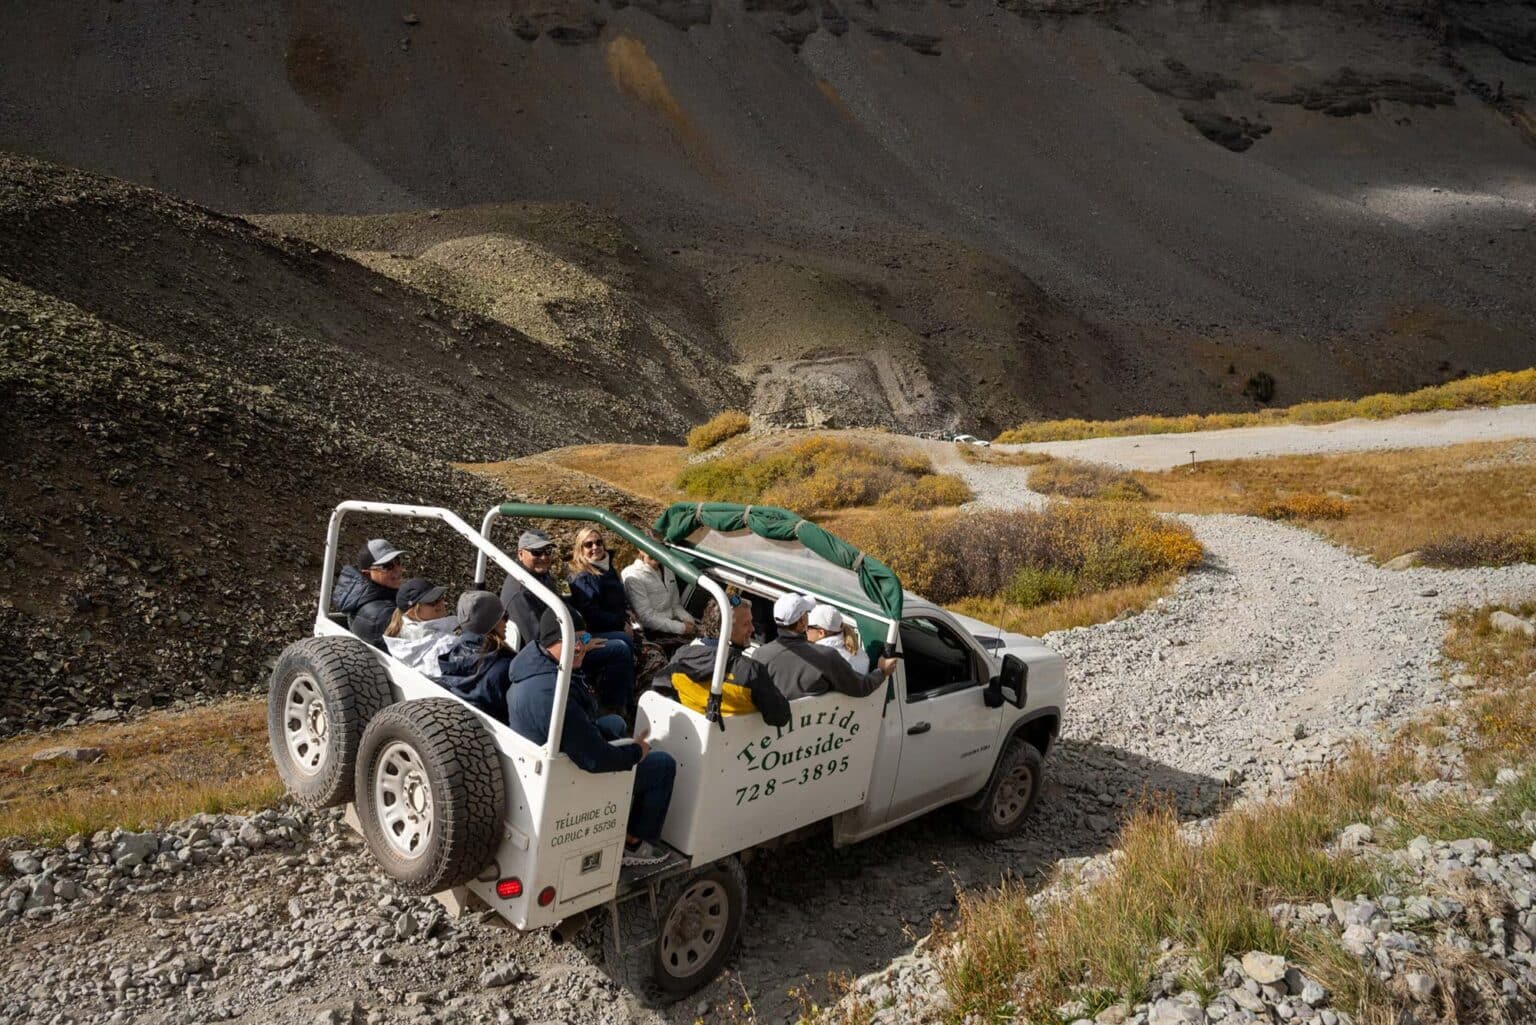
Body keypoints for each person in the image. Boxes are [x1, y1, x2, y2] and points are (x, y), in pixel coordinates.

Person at [509, 608, 676, 867]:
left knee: (615, 723)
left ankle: (624, 810)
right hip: (568, 778)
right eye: (572, 640)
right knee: (662, 764)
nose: (580, 648)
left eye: (585, 640)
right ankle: (635, 844)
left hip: (554, 752)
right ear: (551, 640)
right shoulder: (553, 693)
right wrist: (636, 752)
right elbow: (594, 759)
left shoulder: (531, 667)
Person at [501, 528, 635, 712]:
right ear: (520, 553)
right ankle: (610, 709)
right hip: (553, 656)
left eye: (547, 551)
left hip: (569, 638)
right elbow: (538, 642)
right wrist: (582, 644)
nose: (544, 557)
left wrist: (582, 635)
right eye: (537, 552)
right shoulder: (520, 593)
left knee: (625, 640)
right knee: (619, 649)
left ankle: (625, 698)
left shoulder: (540, 576)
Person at [651, 599, 789, 726]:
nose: (752, 629)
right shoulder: (751, 672)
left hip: (690, 739)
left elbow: (659, 691)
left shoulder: (680, 658)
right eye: (746, 624)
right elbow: (780, 717)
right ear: (725, 630)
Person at [753, 594, 897, 701]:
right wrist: (882, 671)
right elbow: (861, 687)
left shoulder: (759, 655)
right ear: (803, 622)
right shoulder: (827, 657)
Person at [565, 526, 643, 709]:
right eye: (588, 544)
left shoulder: (607, 568)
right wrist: (620, 623)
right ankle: (615, 704)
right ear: (580, 549)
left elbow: (618, 598)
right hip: (589, 633)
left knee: (640, 638)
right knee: (623, 643)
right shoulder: (582, 577)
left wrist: (626, 614)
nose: (595, 547)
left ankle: (632, 694)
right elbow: (591, 615)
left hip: (615, 622)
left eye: (599, 542)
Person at [436, 591, 516, 723]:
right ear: (492, 624)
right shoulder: (504, 667)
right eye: (504, 616)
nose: (506, 622)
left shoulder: (453, 654)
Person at [331, 539, 405, 649]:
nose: (398, 569)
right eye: (387, 566)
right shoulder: (384, 613)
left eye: (397, 561)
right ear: (367, 574)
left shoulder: (362, 597)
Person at [620, 547, 696, 649]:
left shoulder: (668, 569)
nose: (655, 552)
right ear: (641, 549)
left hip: (673, 625)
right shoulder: (633, 575)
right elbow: (646, 618)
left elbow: (675, 605)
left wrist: (688, 620)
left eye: (658, 547)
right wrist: (681, 628)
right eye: (650, 549)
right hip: (651, 632)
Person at [383, 578, 458, 677]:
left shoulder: (399, 636)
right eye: (432, 602)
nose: (440, 604)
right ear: (412, 612)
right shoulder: (444, 644)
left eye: (440, 597)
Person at [806, 605, 870, 674]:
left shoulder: (820, 658)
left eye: (808, 627)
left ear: (821, 633)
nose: (805, 629)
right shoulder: (858, 650)